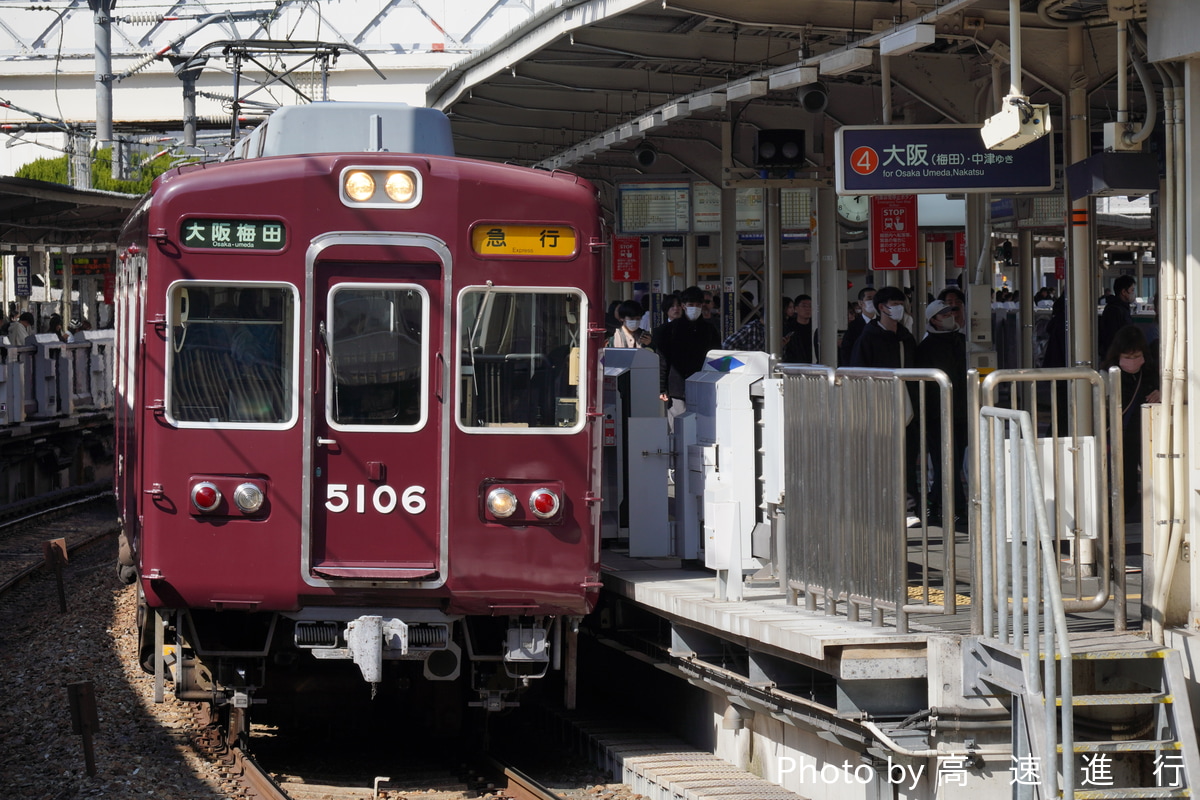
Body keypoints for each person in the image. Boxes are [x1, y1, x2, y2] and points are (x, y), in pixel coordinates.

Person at [849, 286, 921, 524]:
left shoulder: (905, 336)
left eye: (902, 303)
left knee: (908, 456)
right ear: (882, 307)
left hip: (907, 405)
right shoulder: (867, 338)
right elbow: (858, 375)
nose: (901, 307)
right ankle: (881, 505)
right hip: (879, 407)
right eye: (896, 303)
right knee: (881, 457)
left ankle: (909, 508)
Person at [916, 300, 969, 527]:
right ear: (932, 320)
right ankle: (956, 509)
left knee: (953, 463)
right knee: (944, 461)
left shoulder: (962, 341)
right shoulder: (925, 348)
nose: (949, 315)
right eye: (943, 313)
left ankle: (936, 505)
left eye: (951, 311)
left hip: (961, 413)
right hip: (938, 415)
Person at [1101, 325, 1160, 522]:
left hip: (1146, 436)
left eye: (1136, 356)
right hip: (1119, 437)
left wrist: (1161, 393)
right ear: (1118, 354)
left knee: (1149, 484)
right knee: (1123, 490)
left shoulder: (1151, 373)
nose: (1132, 361)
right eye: (1128, 356)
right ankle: (1110, 529)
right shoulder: (1105, 375)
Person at [657, 285, 720, 427]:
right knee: (678, 428)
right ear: (683, 306)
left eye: (698, 305)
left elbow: (716, 357)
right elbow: (662, 359)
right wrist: (661, 387)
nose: (695, 308)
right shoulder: (669, 330)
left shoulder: (710, 330)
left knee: (702, 427)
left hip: (703, 388)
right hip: (677, 389)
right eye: (691, 305)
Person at [1098, 275, 1135, 359]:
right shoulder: (1114, 310)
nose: (1133, 293)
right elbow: (1112, 337)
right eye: (1132, 290)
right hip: (1116, 356)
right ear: (1124, 292)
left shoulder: (1122, 308)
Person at [839, 286, 876, 366]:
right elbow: (847, 352)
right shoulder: (853, 326)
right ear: (860, 303)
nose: (873, 301)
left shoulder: (882, 323)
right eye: (869, 299)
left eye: (875, 298)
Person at [783, 294, 816, 363]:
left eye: (810, 306)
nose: (807, 309)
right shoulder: (788, 328)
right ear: (796, 308)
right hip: (794, 365)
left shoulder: (816, 327)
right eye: (804, 306)